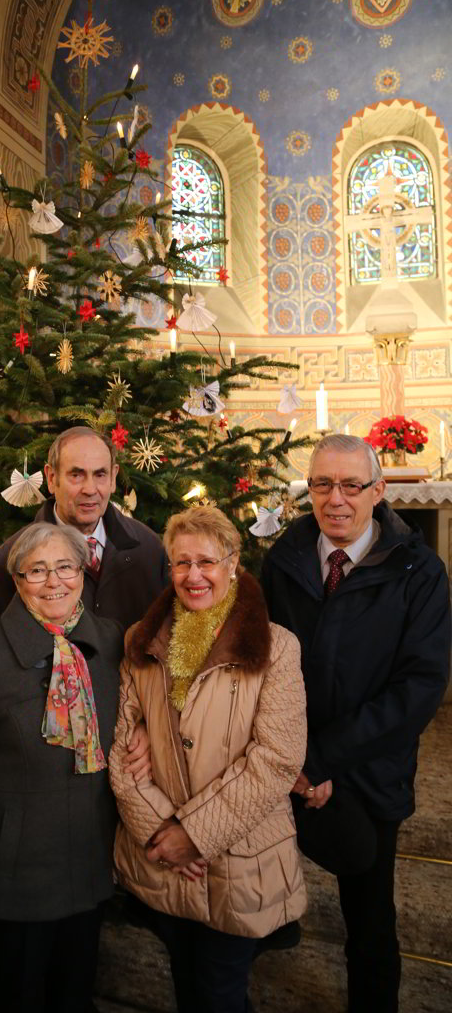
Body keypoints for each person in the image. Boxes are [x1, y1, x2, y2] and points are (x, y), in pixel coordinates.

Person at [260, 433, 451, 1013]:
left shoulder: (419, 570)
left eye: (350, 485)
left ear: (378, 490)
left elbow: (418, 688)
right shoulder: (285, 558)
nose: (335, 499)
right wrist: (297, 760)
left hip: (369, 771)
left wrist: (324, 760)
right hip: (287, 766)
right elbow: (263, 665)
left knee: (370, 923)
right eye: (322, 484)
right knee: (257, 894)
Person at [109, 507, 307, 1013]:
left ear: (233, 563)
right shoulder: (141, 640)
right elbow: (120, 750)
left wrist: (194, 836)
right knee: (185, 984)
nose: (193, 575)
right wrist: (161, 831)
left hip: (239, 862)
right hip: (163, 863)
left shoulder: (277, 648)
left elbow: (277, 760)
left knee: (220, 994)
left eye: (206, 562)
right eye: (181, 562)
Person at [0, 522, 135, 1013]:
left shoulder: (111, 641)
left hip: (89, 858)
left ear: (83, 573)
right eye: (37, 571)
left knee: (74, 994)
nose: (54, 582)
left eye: (65, 567)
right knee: (19, 997)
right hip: (18, 871)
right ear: (17, 580)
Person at [0, 426, 168, 634]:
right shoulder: (12, 559)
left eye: (100, 474)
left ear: (113, 478)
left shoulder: (149, 550)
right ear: (52, 478)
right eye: (76, 475)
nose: (90, 489)